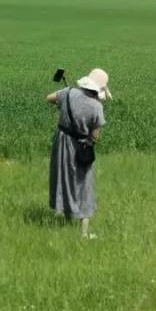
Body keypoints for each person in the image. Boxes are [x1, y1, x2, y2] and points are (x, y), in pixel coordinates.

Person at [46, 67, 110, 238]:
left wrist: (64, 105)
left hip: (61, 142)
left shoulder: (69, 92)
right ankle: (84, 234)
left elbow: (49, 98)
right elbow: (95, 136)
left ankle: (65, 216)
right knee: (83, 185)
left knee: (63, 178)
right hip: (80, 147)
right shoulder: (97, 107)